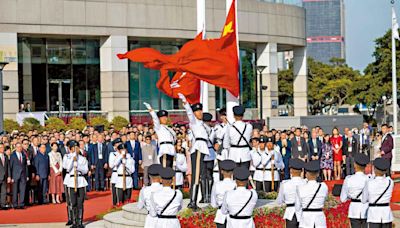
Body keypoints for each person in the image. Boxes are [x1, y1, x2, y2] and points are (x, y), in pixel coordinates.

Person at [178, 93, 209, 210]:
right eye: (198, 111)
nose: (200, 113)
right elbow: (189, 114)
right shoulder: (194, 122)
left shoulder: (202, 125)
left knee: (198, 176)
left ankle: (193, 200)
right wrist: (185, 101)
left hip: (202, 149)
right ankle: (192, 202)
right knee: (196, 176)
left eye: (201, 111)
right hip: (198, 149)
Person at [295, 160, 328, 228]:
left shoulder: (300, 188)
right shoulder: (324, 186)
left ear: (306, 174)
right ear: (318, 174)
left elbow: (297, 207)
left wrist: (300, 220)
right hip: (320, 219)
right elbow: (324, 199)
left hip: (305, 220)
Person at [340, 153, 370, 228]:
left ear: (355, 165)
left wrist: (350, 196)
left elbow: (343, 199)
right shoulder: (369, 179)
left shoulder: (349, 179)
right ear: (365, 166)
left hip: (354, 210)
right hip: (366, 209)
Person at [362, 158, 394, 228]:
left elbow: (364, 200)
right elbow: (386, 177)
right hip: (386, 215)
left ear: (374, 169)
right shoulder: (390, 182)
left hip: (374, 215)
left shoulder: (369, 183)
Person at [64, 140, 89, 228]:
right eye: (73, 148)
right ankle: (74, 222)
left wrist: (77, 165)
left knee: (80, 202)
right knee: (73, 202)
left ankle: (80, 221)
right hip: (71, 181)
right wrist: (72, 159)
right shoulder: (67, 157)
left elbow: (85, 170)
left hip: (80, 180)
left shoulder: (82, 158)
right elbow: (67, 168)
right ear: (70, 149)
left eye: (77, 148)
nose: (75, 150)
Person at [276, 158, 306, 228]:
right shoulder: (305, 183)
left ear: (291, 171)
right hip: (303, 213)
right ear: (302, 171)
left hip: (290, 214)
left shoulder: (285, 184)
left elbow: (279, 201)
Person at [144, 102, 175, 168]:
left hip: (172, 150)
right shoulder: (159, 127)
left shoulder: (170, 129)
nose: (164, 119)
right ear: (159, 119)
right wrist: (151, 110)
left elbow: (174, 139)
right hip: (164, 150)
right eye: (162, 117)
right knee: (165, 170)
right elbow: (155, 119)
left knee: (171, 171)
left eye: (165, 117)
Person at [211, 160, 236, 228]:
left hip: (220, 215)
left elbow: (213, 204)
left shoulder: (217, 185)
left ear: (222, 171)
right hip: (233, 216)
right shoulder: (235, 184)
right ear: (233, 172)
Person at [201, 112, 216, 203]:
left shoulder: (200, 129)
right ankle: (209, 195)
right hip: (210, 152)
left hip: (203, 152)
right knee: (209, 175)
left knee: (203, 175)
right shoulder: (213, 130)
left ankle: (204, 197)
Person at [10, 143, 28, 209]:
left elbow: (25, 166)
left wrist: (27, 175)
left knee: (22, 190)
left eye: (20, 147)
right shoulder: (12, 155)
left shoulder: (23, 155)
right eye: (18, 147)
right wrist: (11, 176)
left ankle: (21, 204)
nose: (19, 148)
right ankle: (15, 204)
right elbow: (10, 167)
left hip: (23, 175)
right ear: (15, 147)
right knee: (15, 190)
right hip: (15, 175)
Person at [108, 138, 123, 206]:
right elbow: (111, 165)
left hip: (123, 175)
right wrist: (120, 156)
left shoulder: (125, 153)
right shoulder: (112, 154)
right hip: (115, 175)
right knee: (115, 194)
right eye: (118, 144)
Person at [0, 143, 11, 209]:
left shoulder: (6, 156)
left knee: (4, 191)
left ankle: (3, 204)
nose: (2, 148)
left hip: (5, 176)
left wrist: (9, 176)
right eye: (0, 147)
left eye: (3, 147)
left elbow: (8, 167)